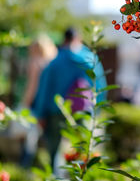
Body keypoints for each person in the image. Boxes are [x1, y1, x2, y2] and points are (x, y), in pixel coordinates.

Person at [31, 27, 107, 170]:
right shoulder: (91, 59)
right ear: (78, 39)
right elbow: (101, 86)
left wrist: (40, 114)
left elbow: (44, 89)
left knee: (54, 151)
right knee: (83, 151)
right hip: (84, 111)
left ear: (64, 40)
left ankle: (55, 177)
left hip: (57, 111)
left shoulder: (55, 62)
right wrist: (99, 110)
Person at [20, 34, 57, 167]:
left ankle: (24, 167)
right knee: (51, 141)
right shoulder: (52, 62)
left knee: (30, 139)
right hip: (51, 105)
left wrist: (25, 104)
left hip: (36, 104)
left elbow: (32, 87)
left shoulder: (35, 62)